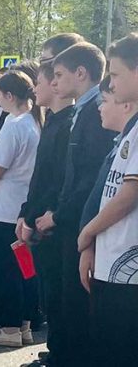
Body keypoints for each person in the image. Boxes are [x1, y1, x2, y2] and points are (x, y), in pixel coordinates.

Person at [34, 42, 117, 364]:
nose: (53, 82)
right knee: (64, 299)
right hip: (71, 219)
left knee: (75, 304)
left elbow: (90, 177)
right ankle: (63, 356)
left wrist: (60, 215)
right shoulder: (84, 111)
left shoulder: (96, 112)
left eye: (57, 74)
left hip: (78, 222)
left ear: (80, 73)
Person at [77, 35, 138, 366]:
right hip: (114, 267)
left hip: (129, 274)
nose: (110, 85)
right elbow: (107, 191)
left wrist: (86, 234)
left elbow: (129, 195)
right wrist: (92, 244)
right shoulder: (130, 131)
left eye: (115, 76)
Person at [0, 71, 42, 348]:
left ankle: (9, 326)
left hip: (3, 211)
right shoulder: (35, 122)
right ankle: (25, 323)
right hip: (22, 208)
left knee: (5, 269)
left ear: (10, 96)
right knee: (25, 268)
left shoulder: (15, 126)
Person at [15, 62, 73, 367]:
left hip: (50, 224)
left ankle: (61, 356)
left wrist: (44, 215)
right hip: (37, 219)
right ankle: (55, 351)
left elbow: (60, 179)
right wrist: (25, 213)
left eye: (39, 81)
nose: (34, 88)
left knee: (59, 296)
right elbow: (38, 177)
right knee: (49, 294)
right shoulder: (51, 119)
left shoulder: (69, 123)